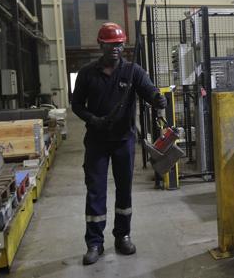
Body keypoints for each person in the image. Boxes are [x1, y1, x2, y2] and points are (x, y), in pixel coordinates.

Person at [72, 22, 167, 265]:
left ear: (124, 45)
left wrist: (158, 99)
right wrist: (93, 120)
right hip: (96, 142)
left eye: (119, 44)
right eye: (110, 44)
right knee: (96, 192)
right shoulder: (86, 74)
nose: (115, 48)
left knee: (124, 191)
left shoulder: (133, 71)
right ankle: (95, 243)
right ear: (100, 44)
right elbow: (77, 105)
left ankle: (122, 235)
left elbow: (149, 91)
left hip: (124, 141)